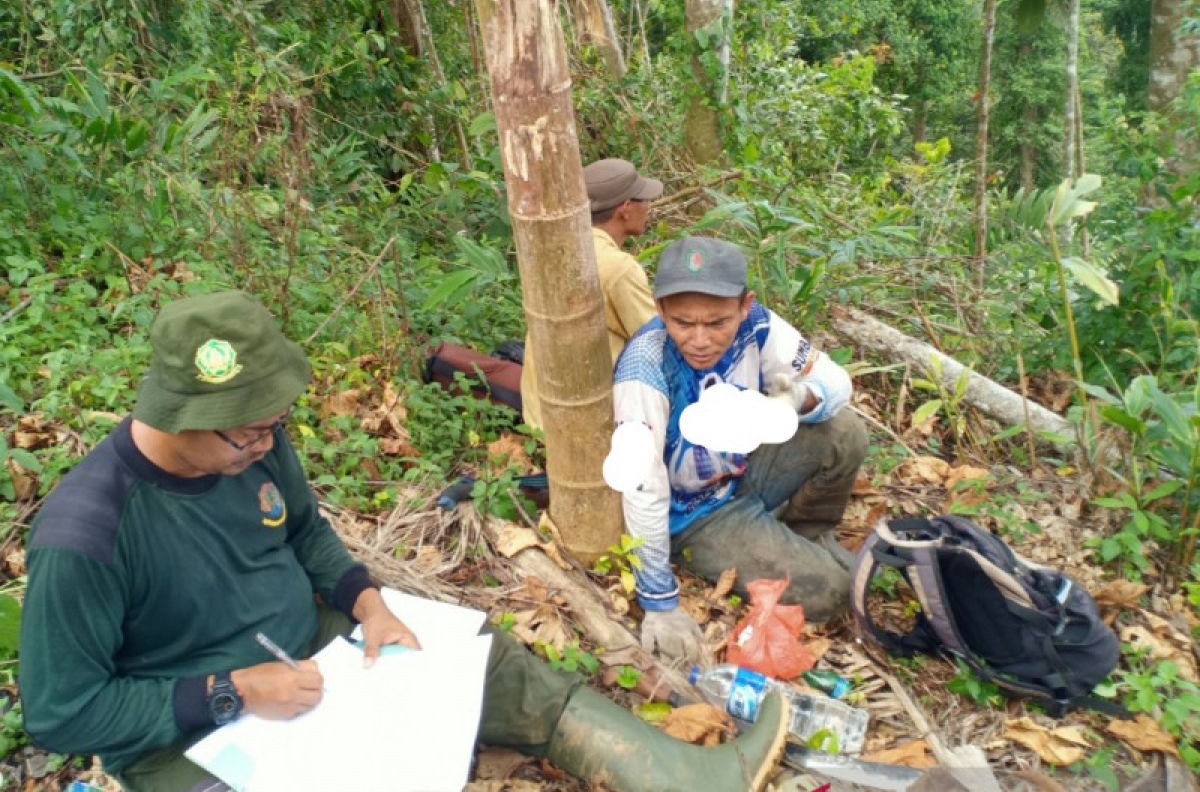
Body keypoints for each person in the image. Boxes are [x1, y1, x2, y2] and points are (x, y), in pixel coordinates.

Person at [19, 290, 789, 792]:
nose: (266, 444)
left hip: (307, 649)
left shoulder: (255, 441)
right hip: (187, 729)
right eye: (249, 431)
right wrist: (230, 692)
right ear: (181, 416)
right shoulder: (87, 534)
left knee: (477, 656)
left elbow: (306, 535)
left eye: (271, 425)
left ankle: (684, 777)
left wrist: (368, 603)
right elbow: (63, 714)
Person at [613, 237, 868, 664]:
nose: (698, 339)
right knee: (836, 594)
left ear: (744, 305)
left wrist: (799, 399)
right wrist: (659, 601)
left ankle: (805, 534)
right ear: (659, 310)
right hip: (694, 515)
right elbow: (643, 486)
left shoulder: (759, 326)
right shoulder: (645, 366)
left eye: (716, 323)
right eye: (682, 323)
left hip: (741, 471)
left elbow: (836, 381)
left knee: (844, 430)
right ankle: (760, 549)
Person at [521, 157, 663, 431]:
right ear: (625, 208)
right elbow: (655, 342)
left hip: (539, 416)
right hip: (589, 423)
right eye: (643, 200)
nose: (648, 207)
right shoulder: (618, 268)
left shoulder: (550, 253)